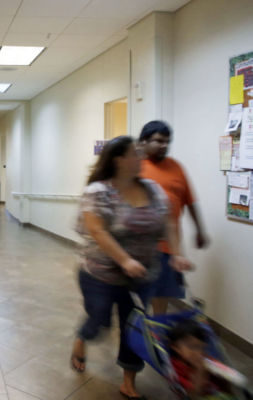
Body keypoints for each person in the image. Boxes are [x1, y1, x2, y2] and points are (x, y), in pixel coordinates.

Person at [70, 136, 193, 400]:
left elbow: (168, 222)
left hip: (140, 276)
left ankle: (128, 382)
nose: (141, 159)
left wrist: (177, 253)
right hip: (98, 273)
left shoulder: (152, 189)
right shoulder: (98, 191)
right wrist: (124, 260)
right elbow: (97, 230)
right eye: (135, 154)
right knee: (99, 321)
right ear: (119, 161)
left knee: (133, 326)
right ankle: (81, 339)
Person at [139, 121, 208, 315]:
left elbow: (190, 201)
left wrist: (200, 230)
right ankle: (136, 332)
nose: (164, 146)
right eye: (158, 141)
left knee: (162, 292)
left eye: (167, 142)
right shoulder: (134, 168)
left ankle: (157, 331)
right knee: (138, 296)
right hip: (139, 246)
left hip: (169, 246)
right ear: (143, 141)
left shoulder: (176, 167)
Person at [168, 320, 234, 399]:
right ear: (176, 347)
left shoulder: (205, 358)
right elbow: (191, 395)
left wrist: (222, 374)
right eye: (192, 347)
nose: (199, 353)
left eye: (202, 348)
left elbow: (225, 385)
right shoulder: (175, 367)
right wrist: (200, 371)